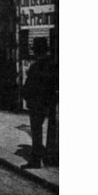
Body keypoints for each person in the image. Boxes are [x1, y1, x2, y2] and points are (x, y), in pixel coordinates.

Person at [21, 37, 58, 168]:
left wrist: (25, 96)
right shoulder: (53, 65)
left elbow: (29, 86)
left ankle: (35, 160)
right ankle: (46, 156)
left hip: (36, 103)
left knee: (36, 131)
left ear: (37, 51)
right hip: (49, 102)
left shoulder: (36, 66)